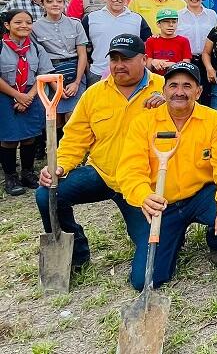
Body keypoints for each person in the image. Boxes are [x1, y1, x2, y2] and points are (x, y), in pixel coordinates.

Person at [36, 34, 166, 269]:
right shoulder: (94, 94)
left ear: (144, 59)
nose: (118, 65)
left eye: (126, 59)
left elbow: (189, 119)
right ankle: (76, 253)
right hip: (103, 173)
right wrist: (61, 164)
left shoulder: (165, 88)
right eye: (114, 59)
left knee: (154, 257)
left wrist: (168, 104)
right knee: (47, 195)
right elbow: (75, 137)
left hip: (142, 182)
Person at [116, 62, 217, 288]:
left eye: (187, 86)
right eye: (172, 86)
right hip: (163, 204)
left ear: (198, 91)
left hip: (201, 195)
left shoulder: (214, 121)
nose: (179, 92)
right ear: (163, 91)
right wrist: (144, 196)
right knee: (145, 280)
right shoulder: (144, 123)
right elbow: (130, 169)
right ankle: (174, 235)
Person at [0, 9, 53, 195]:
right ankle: (11, 176)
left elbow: (43, 74)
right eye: (18, 22)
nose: (24, 26)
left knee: (30, 136)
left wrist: (28, 96)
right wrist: (17, 95)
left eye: (28, 23)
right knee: (9, 138)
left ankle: (28, 173)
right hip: (6, 96)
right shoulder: (1, 47)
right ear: (7, 25)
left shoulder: (37, 48)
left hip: (31, 95)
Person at [32, 0, 89, 123]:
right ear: (43, 5)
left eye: (59, 1)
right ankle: (54, 144)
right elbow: (39, 59)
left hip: (75, 74)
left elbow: (82, 54)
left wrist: (76, 82)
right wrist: (54, 86)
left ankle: (71, 143)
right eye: (50, 1)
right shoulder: (35, 27)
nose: (55, 4)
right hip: (51, 75)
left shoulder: (75, 24)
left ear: (64, 4)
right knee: (54, 118)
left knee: (73, 116)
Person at [82, 0, 151, 84]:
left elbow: (147, 46)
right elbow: (82, 49)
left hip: (129, 74)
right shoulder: (90, 18)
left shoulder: (137, 19)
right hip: (97, 74)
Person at [176, 0, 217, 106]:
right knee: (188, 95)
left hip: (208, 62)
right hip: (186, 60)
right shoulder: (178, 15)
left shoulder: (212, 15)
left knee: (207, 97)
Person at [145, 8, 192, 75]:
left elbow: (187, 65)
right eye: (166, 22)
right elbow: (147, 67)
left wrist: (172, 65)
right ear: (158, 24)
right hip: (156, 79)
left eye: (174, 22)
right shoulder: (151, 41)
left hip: (176, 78)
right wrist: (153, 62)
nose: (170, 25)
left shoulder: (183, 41)